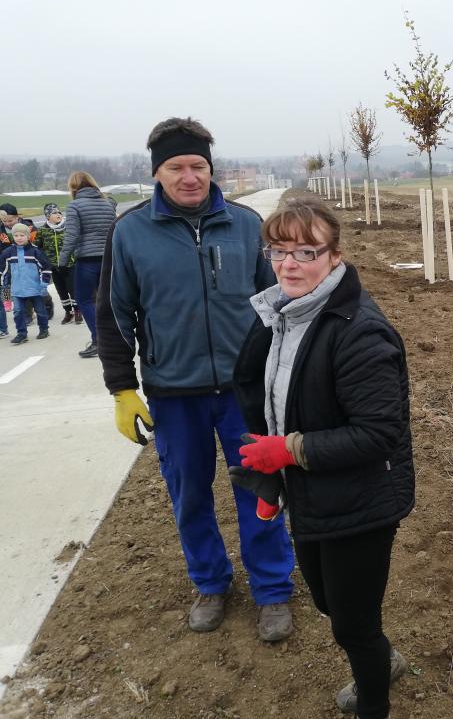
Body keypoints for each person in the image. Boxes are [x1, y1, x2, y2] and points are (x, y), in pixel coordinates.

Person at [95, 117, 295, 640]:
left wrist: (283, 376)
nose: (189, 176)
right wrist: (122, 388)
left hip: (244, 394)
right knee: (190, 496)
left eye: (198, 165)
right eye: (176, 166)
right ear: (157, 173)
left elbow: (279, 305)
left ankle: (272, 591)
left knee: (263, 489)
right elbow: (116, 315)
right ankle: (210, 582)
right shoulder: (130, 232)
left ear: (211, 167)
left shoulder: (248, 225)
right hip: (173, 393)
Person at [232, 196, 415, 718]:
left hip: (360, 498)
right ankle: (381, 656)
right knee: (327, 602)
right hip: (312, 490)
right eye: (277, 250)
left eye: (305, 252)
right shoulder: (283, 314)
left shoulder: (359, 331)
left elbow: (379, 433)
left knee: (352, 625)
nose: (289, 264)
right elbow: (269, 396)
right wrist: (272, 480)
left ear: (335, 256)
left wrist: (285, 451)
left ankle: (373, 700)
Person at [61, 171, 116, 358]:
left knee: (85, 300)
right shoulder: (107, 203)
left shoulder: (75, 206)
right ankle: (114, 339)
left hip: (86, 260)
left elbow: (72, 236)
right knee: (108, 301)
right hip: (109, 258)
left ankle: (98, 340)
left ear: (73, 187)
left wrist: (62, 261)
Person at [0, 223, 51, 344]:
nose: (19, 238)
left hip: (35, 288)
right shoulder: (8, 253)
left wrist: (43, 284)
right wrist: (4, 289)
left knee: (40, 311)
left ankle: (44, 329)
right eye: (16, 235)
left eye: (22, 235)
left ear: (28, 236)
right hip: (17, 290)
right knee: (18, 312)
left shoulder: (35, 252)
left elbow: (46, 268)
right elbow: (4, 271)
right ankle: (21, 333)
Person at [36, 203, 79, 324]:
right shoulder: (43, 230)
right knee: (61, 290)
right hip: (54, 267)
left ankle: (77, 311)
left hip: (70, 265)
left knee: (73, 289)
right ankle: (68, 312)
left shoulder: (69, 227)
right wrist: (44, 262)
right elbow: (38, 248)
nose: (58, 214)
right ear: (48, 216)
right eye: (54, 213)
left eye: (59, 212)